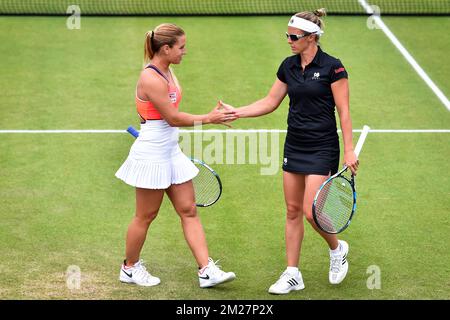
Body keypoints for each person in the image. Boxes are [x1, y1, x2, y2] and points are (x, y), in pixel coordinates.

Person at [221, 9, 359, 294]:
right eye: (288, 35)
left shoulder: (334, 67)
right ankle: (292, 273)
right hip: (295, 144)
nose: (288, 40)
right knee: (293, 210)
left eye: (293, 36)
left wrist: (350, 150)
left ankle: (337, 249)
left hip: (322, 146)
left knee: (312, 211)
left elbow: (344, 111)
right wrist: (238, 112)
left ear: (311, 37)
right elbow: (270, 101)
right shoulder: (288, 66)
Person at [115, 23, 237, 288]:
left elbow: (165, 112)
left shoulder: (168, 71)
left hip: (170, 151)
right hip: (151, 155)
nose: (185, 52)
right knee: (145, 216)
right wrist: (210, 118)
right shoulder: (150, 77)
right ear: (166, 48)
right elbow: (172, 117)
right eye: (181, 47)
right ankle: (129, 268)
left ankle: (206, 270)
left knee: (188, 209)